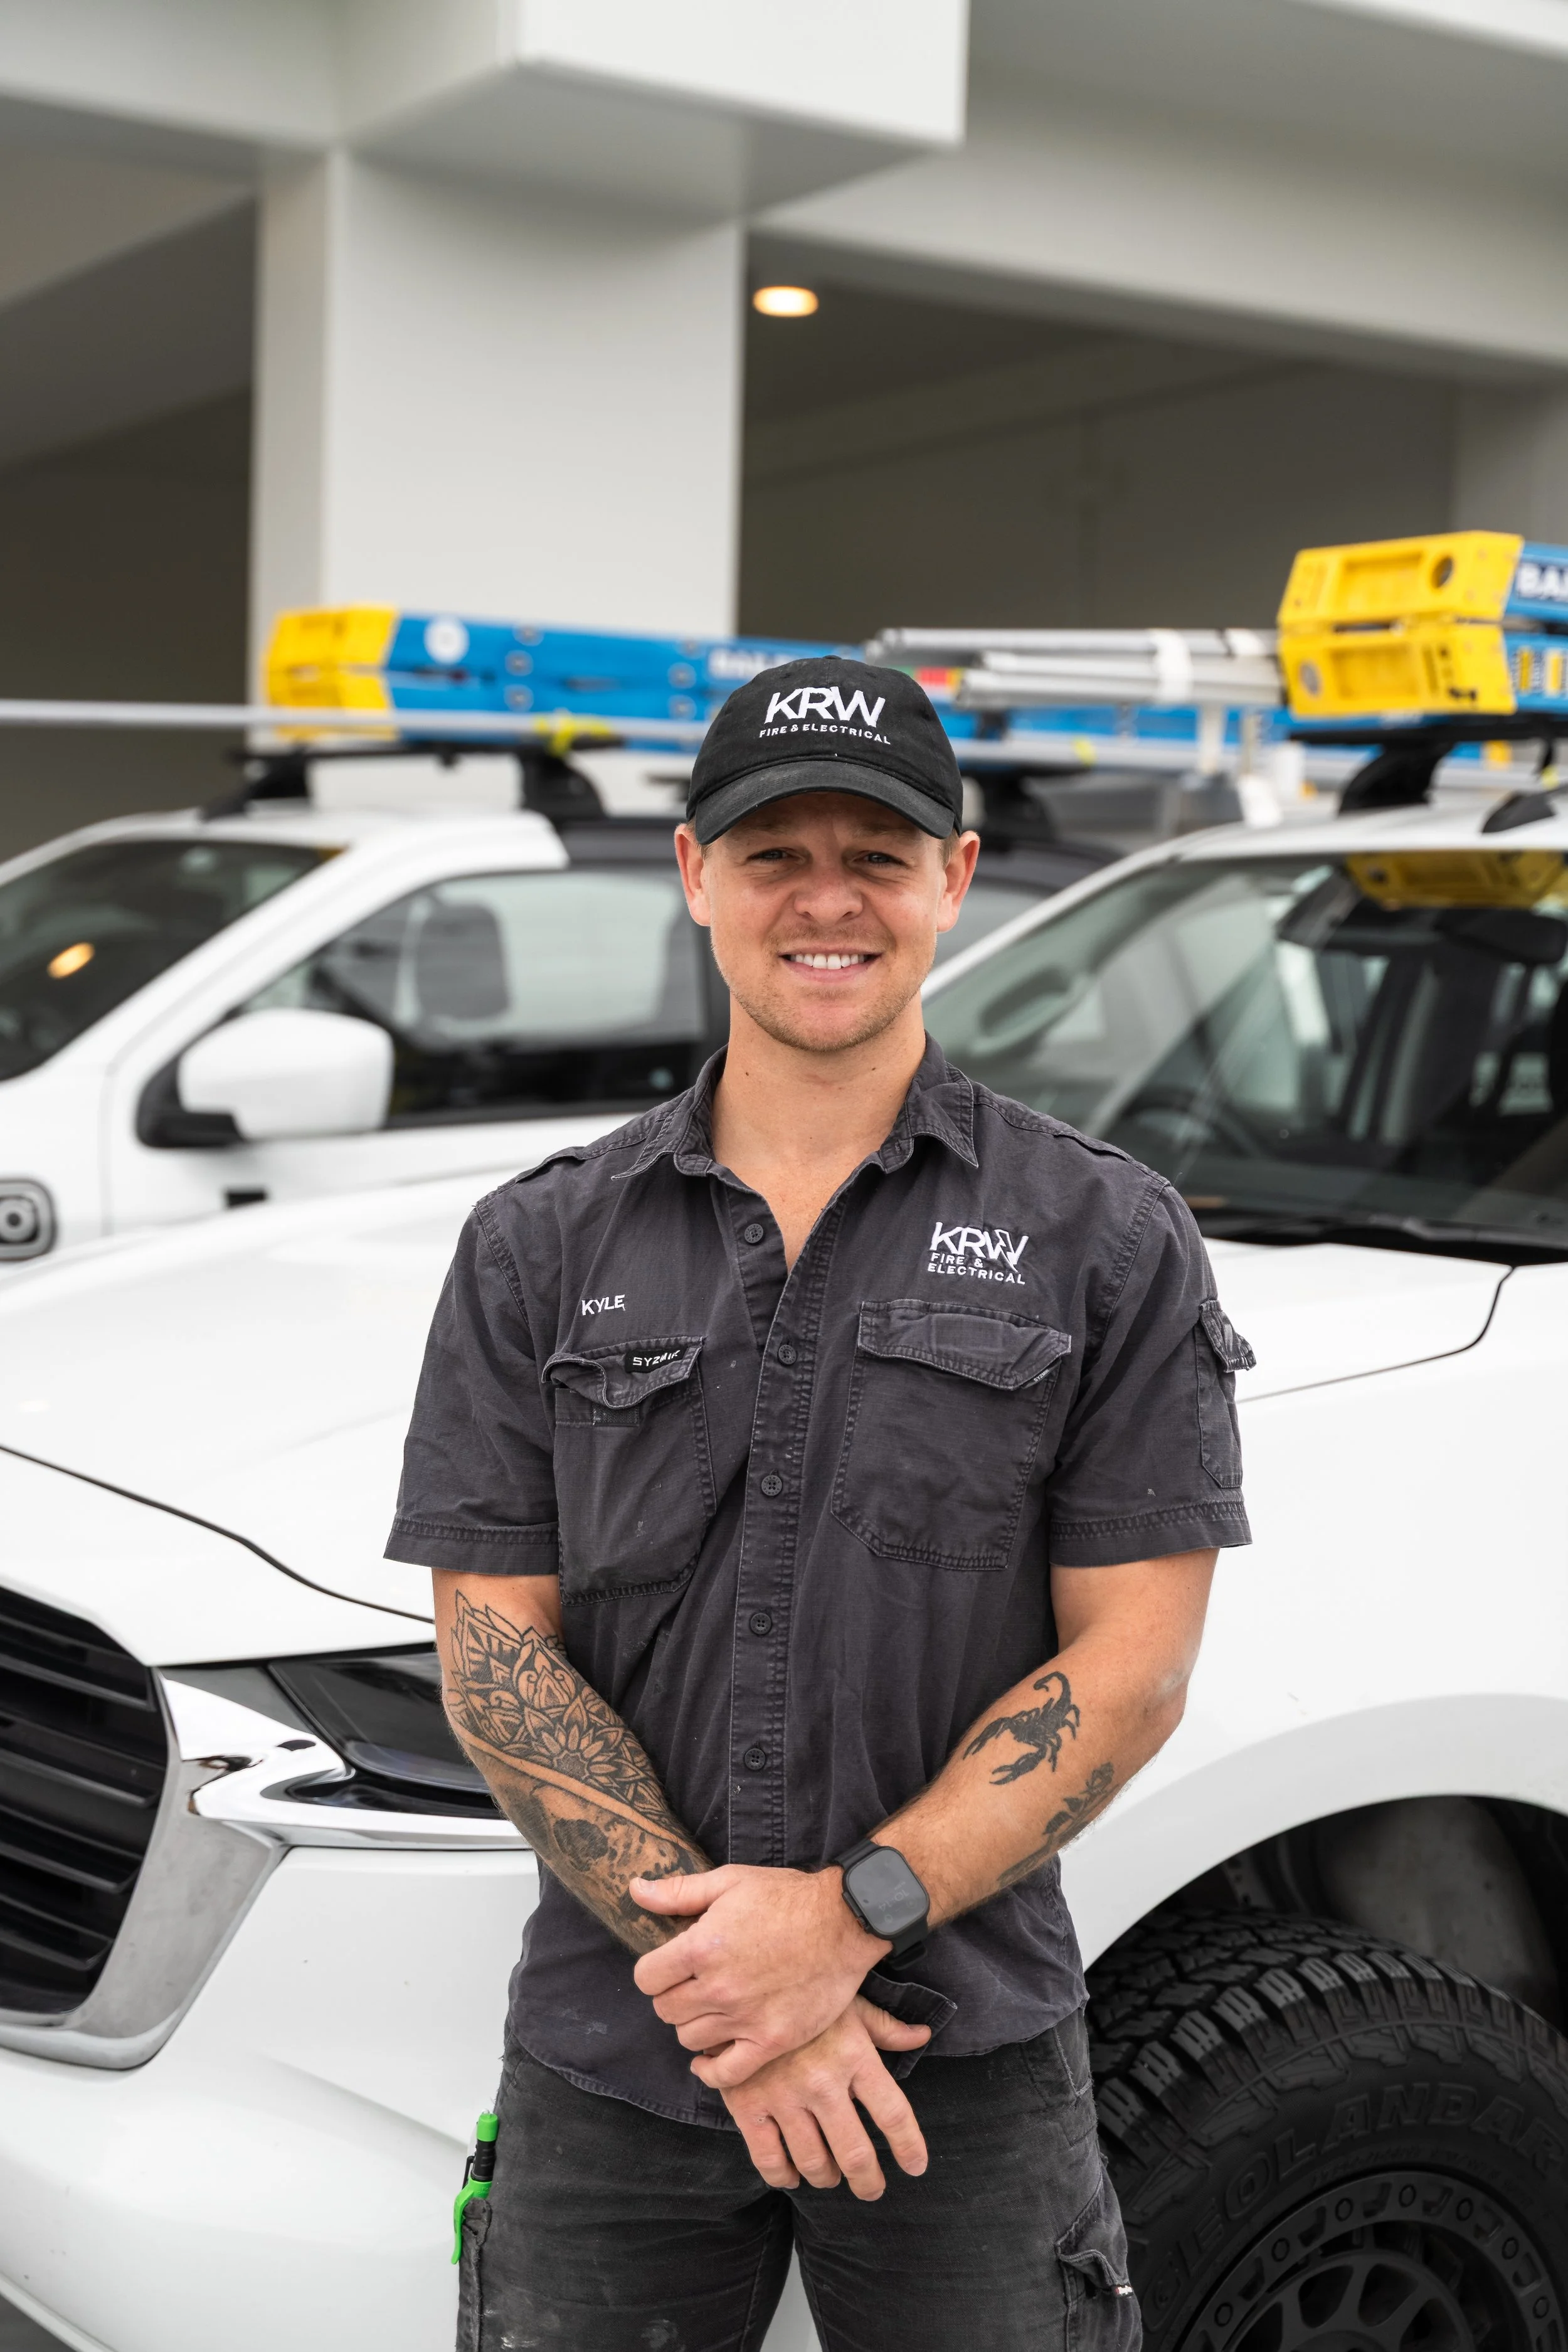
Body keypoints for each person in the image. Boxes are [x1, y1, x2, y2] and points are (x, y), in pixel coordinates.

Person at [386, 655, 1253, 2352]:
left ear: (955, 873)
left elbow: (1133, 1657)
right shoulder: (538, 1242)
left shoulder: (1109, 1239)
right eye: (775, 853)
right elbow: (494, 1650)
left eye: (876, 849)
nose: (826, 898)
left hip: (960, 2055)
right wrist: (745, 1988)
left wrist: (841, 1919)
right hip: (624, 2050)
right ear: (696, 876)